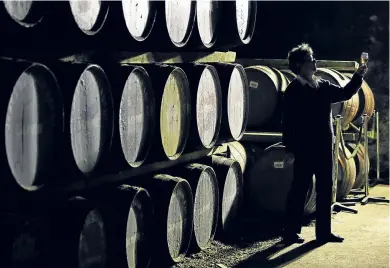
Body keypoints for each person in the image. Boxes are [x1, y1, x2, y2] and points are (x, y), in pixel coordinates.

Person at [281, 43, 368, 244]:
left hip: (323, 146)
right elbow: (288, 122)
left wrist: (359, 75)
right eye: (311, 60)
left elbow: (345, 93)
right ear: (300, 65)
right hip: (303, 149)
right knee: (299, 189)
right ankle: (290, 232)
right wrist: (290, 148)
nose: (315, 63)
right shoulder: (293, 91)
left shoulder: (322, 86)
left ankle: (323, 233)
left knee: (325, 189)